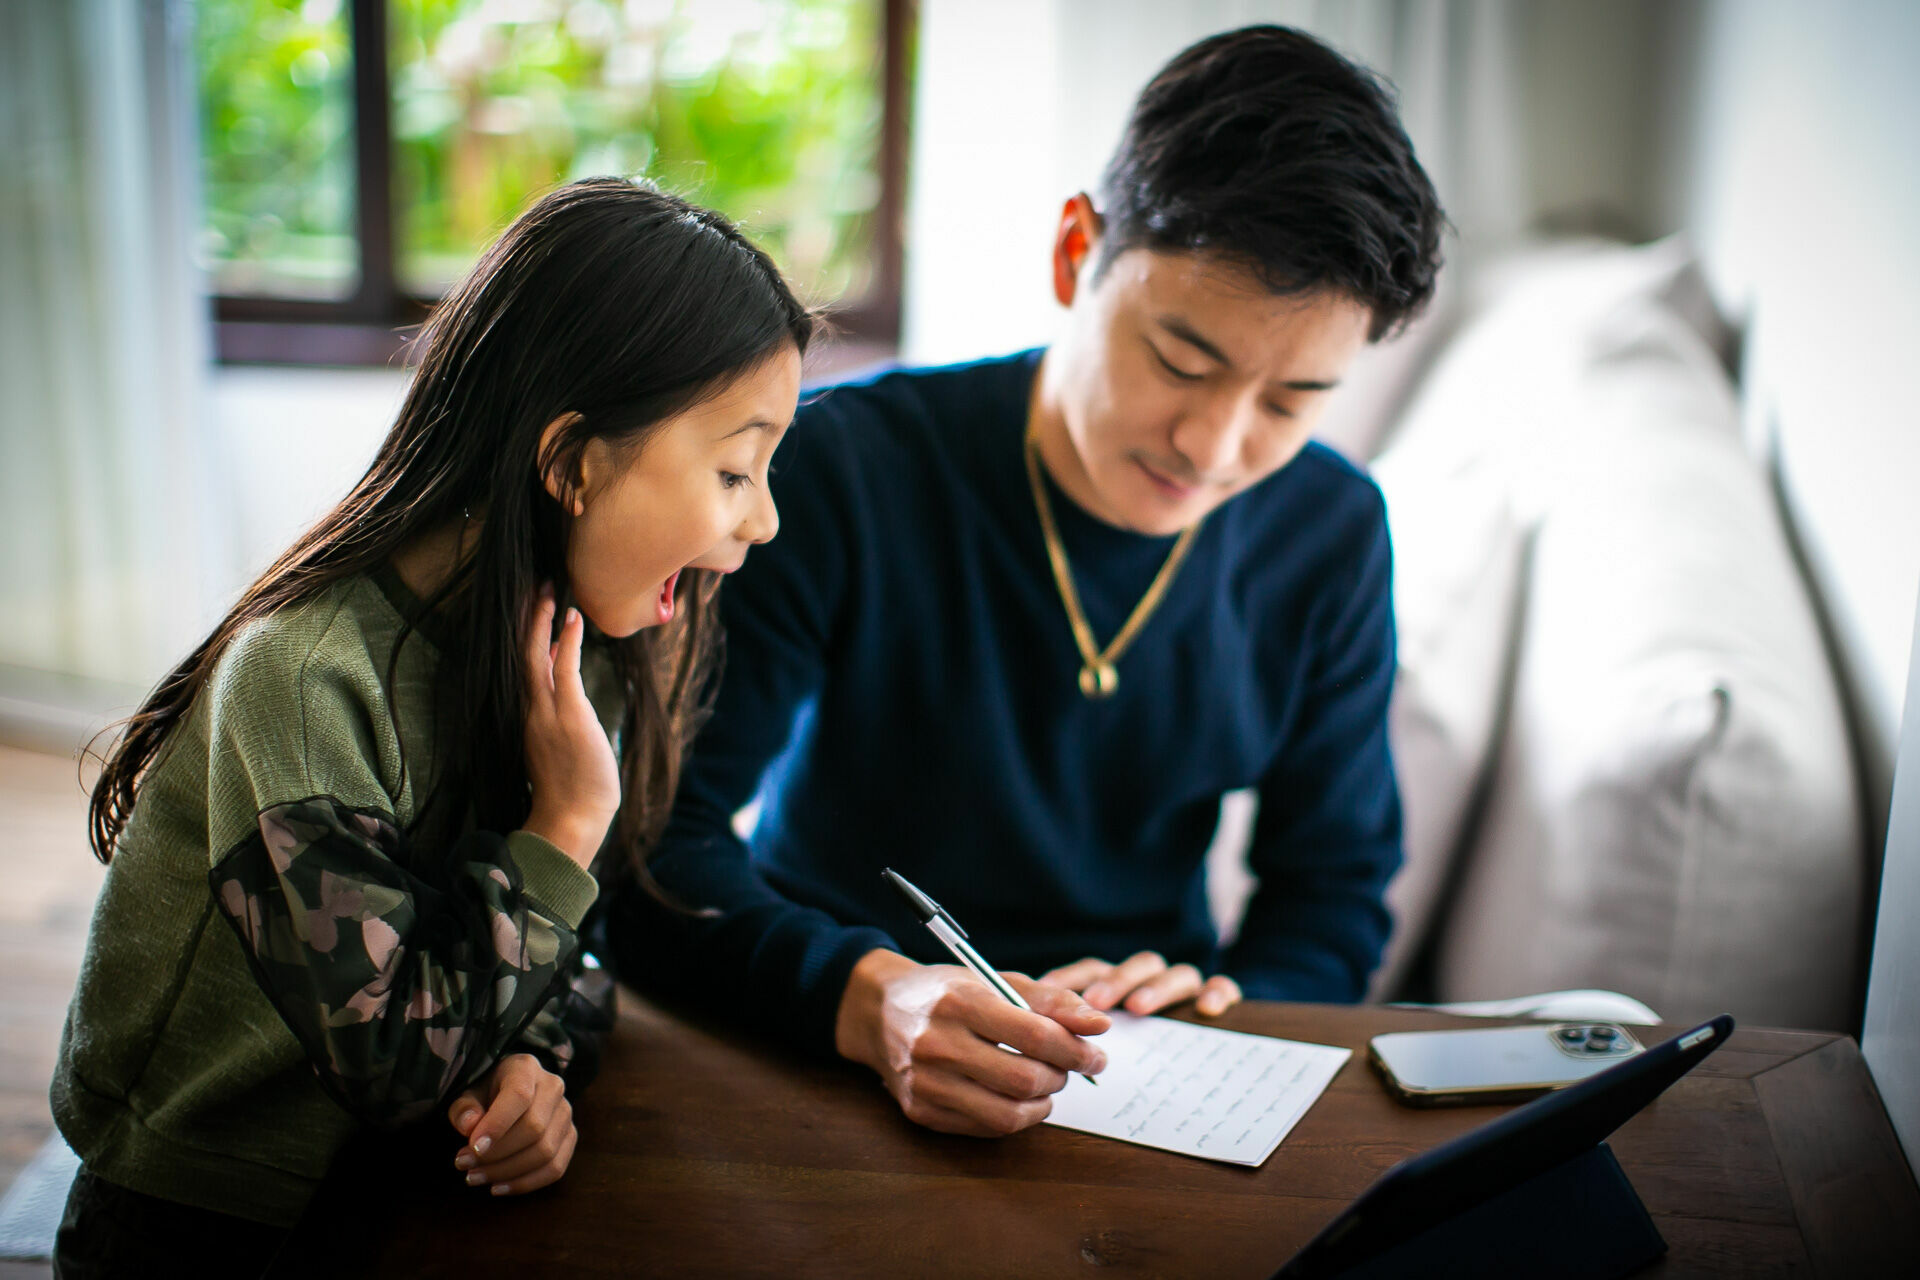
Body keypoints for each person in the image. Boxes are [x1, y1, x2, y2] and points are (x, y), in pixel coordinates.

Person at [594, 24, 1446, 1138]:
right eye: (1183, 360)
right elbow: (660, 848)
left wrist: (1229, 1009)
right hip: (825, 1041)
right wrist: (875, 995)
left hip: (1145, 1078)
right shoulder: (843, 470)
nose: (1212, 443)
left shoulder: (1329, 531)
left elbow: (1331, 888)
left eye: (1291, 400)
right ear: (1073, 253)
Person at [49, 178, 814, 1277]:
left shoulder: (575, 652)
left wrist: (532, 1069)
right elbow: (396, 1058)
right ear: (571, 463)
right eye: (736, 468)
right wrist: (568, 819)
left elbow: (584, 953)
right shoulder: (305, 681)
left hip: (406, 1197)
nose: (766, 517)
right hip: (198, 1221)